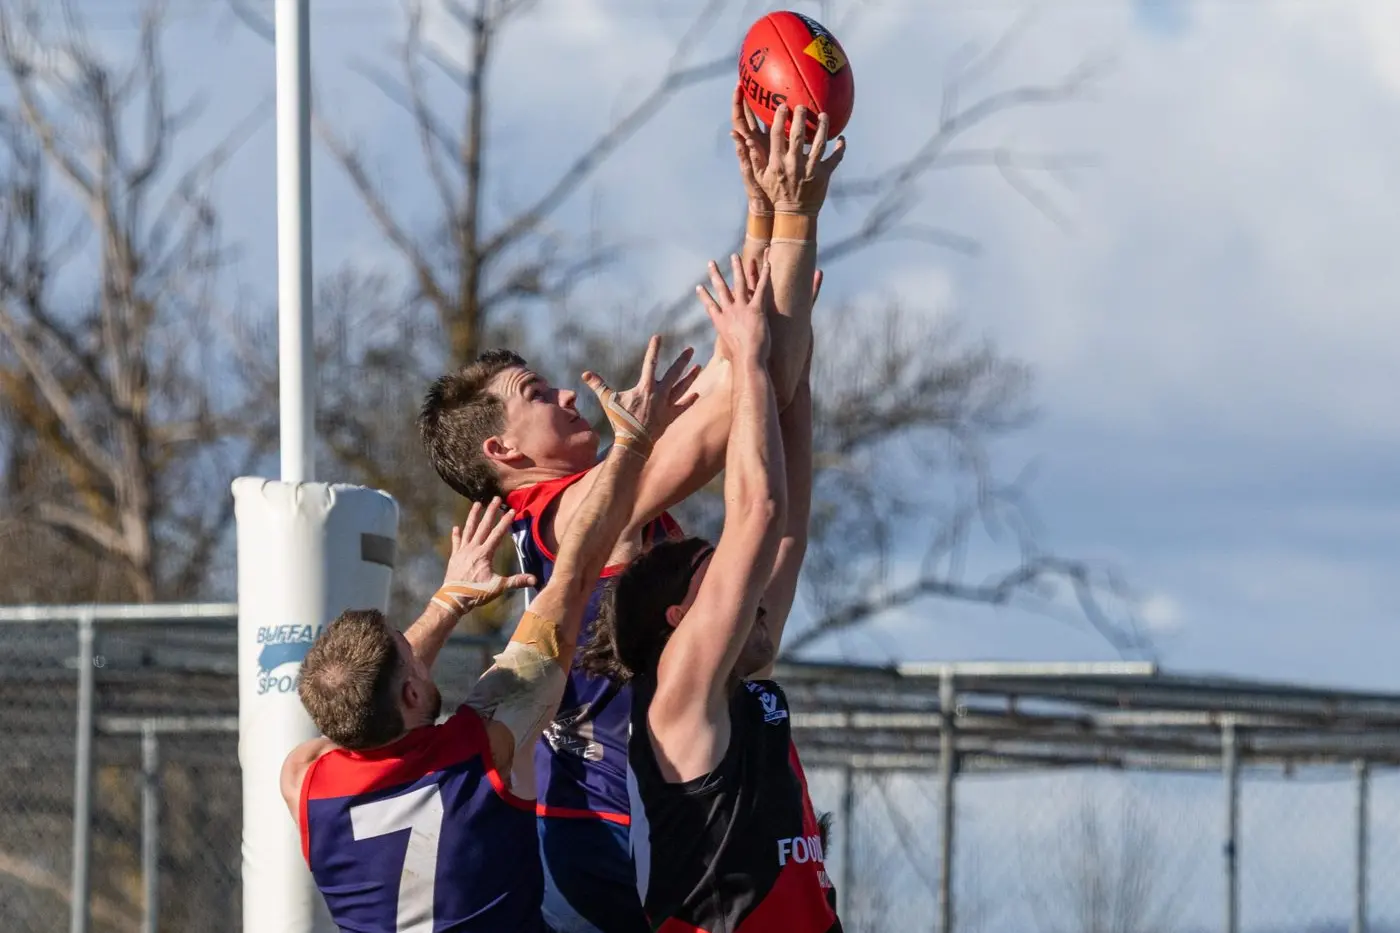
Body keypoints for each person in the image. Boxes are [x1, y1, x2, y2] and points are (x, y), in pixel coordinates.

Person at [416, 93, 843, 933]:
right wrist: (791, 219)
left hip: (647, 826)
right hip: (614, 842)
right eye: (538, 396)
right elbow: (739, 406)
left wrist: (763, 206)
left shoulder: (604, 494)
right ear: (505, 455)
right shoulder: (560, 510)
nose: (567, 391)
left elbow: (751, 371)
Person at [279, 337, 700, 933]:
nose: (421, 656)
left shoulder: (308, 783)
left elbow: (352, 718)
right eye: (411, 657)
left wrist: (445, 608)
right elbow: (574, 581)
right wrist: (630, 446)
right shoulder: (479, 748)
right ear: (408, 694)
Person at [580, 253, 835, 931]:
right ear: (676, 618)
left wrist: (795, 372)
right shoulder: (678, 696)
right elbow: (758, 516)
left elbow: (787, 535)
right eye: (710, 568)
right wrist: (750, 361)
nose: (736, 569)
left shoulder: (740, 677)